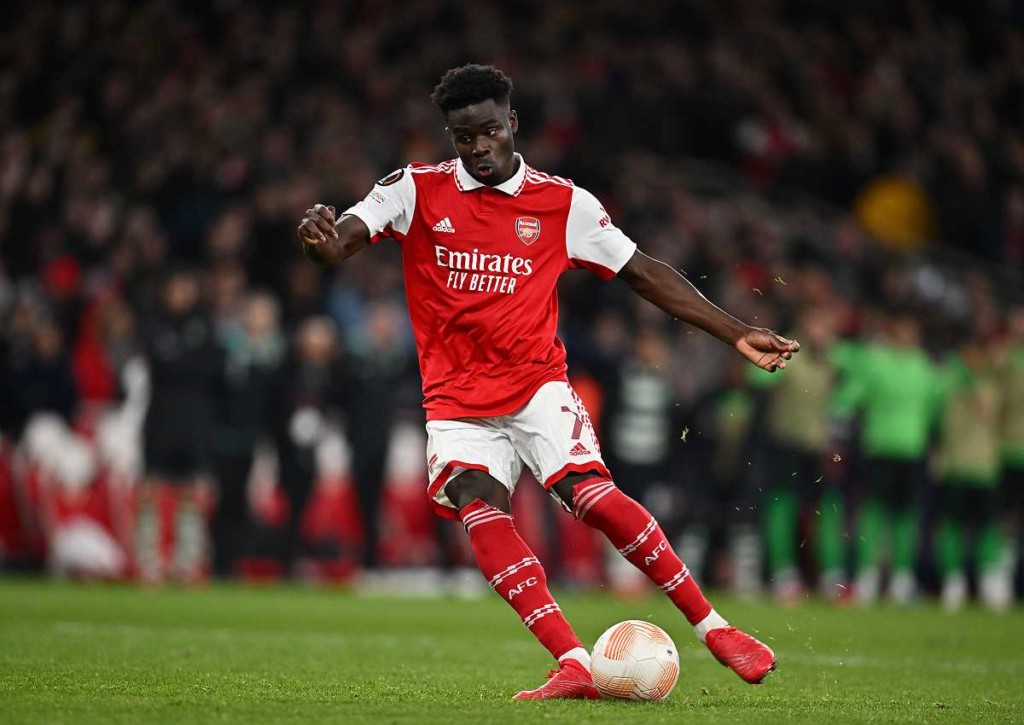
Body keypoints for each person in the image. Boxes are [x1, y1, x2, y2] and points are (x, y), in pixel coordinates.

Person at [297, 64, 798, 700]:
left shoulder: (565, 204)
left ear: (512, 123)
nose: (478, 147)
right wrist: (319, 242)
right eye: (464, 137)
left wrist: (736, 333)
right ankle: (574, 662)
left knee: (590, 497)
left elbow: (643, 272)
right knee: (477, 503)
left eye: (488, 131)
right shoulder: (413, 190)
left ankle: (716, 629)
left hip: (536, 386)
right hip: (455, 400)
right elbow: (338, 244)